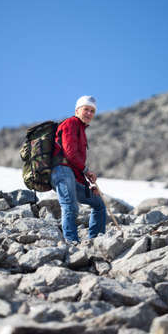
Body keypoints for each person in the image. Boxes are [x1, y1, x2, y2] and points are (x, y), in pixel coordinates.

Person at [51, 95, 106, 244]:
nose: (89, 113)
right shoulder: (70, 123)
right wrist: (87, 170)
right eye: (86, 109)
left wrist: (89, 186)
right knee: (70, 206)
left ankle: (96, 241)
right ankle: (71, 242)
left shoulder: (81, 129)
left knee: (99, 203)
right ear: (77, 110)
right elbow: (70, 153)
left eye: (92, 111)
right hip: (61, 171)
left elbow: (75, 163)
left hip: (72, 174)